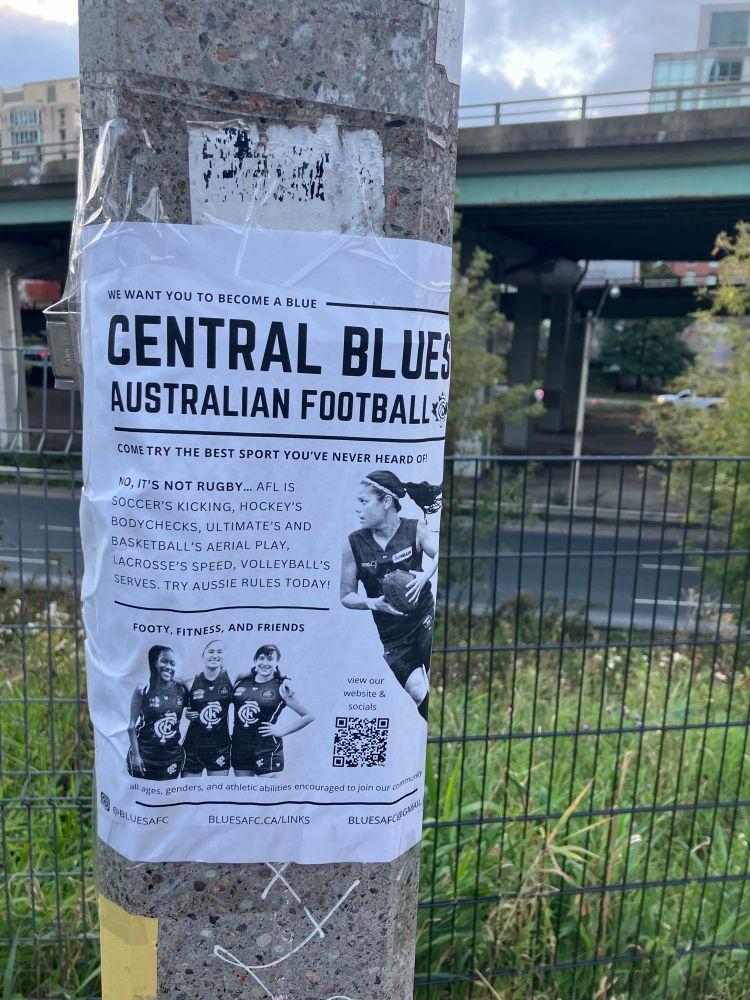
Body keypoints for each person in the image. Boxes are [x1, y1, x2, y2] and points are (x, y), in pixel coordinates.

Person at [340, 470, 442, 721]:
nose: (358, 509)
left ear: (386, 501)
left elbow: (439, 552)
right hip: (393, 637)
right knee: (419, 692)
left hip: (423, 617)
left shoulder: (414, 529)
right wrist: (373, 603)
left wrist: (424, 575)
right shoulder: (354, 544)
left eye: (364, 502)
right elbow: (346, 596)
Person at [231, 644, 314, 777]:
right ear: (255, 661)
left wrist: (280, 731)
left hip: (266, 749)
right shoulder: (241, 683)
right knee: (243, 794)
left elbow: (308, 716)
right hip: (240, 749)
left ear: (277, 662)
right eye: (261, 658)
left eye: (270, 659)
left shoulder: (282, 687)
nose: (265, 663)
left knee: (268, 796)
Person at [127, 645, 188, 780]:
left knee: (167, 798)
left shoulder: (181, 690)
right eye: (164, 661)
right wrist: (136, 756)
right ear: (155, 663)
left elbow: (197, 704)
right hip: (145, 757)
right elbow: (131, 726)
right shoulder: (143, 689)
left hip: (171, 758)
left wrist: (181, 681)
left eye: (173, 664)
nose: (169, 666)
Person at [181, 639, 233, 776]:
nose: (215, 655)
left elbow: (259, 671)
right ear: (202, 655)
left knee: (217, 795)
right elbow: (167, 678)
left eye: (219, 652)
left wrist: (284, 677)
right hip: (193, 748)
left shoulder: (231, 677)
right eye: (211, 651)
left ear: (225, 656)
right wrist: (187, 712)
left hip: (220, 748)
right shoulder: (190, 681)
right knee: (189, 795)